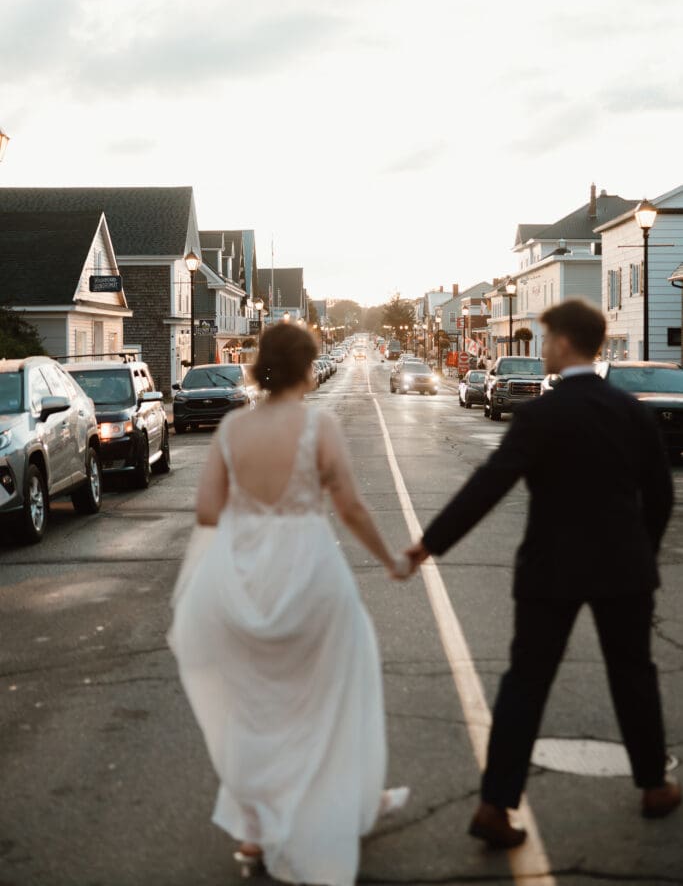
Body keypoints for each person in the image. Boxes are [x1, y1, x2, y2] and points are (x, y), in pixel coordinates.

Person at [404, 298, 679, 847]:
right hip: (624, 568)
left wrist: (428, 545)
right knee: (633, 675)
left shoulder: (541, 415)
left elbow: (489, 484)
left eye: (548, 338)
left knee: (526, 684)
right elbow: (661, 495)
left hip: (549, 569)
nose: (543, 346)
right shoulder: (630, 412)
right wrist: (641, 554)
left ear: (566, 342)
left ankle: (495, 805)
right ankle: (653, 786)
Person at [168, 323, 410, 885]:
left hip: (246, 578)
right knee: (326, 695)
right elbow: (349, 506)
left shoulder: (233, 428)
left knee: (255, 705)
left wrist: (252, 516)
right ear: (306, 368)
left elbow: (207, 511)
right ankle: (341, 801)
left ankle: (254, 830)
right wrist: (391, 559)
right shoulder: (318, 426)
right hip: (310, 574)